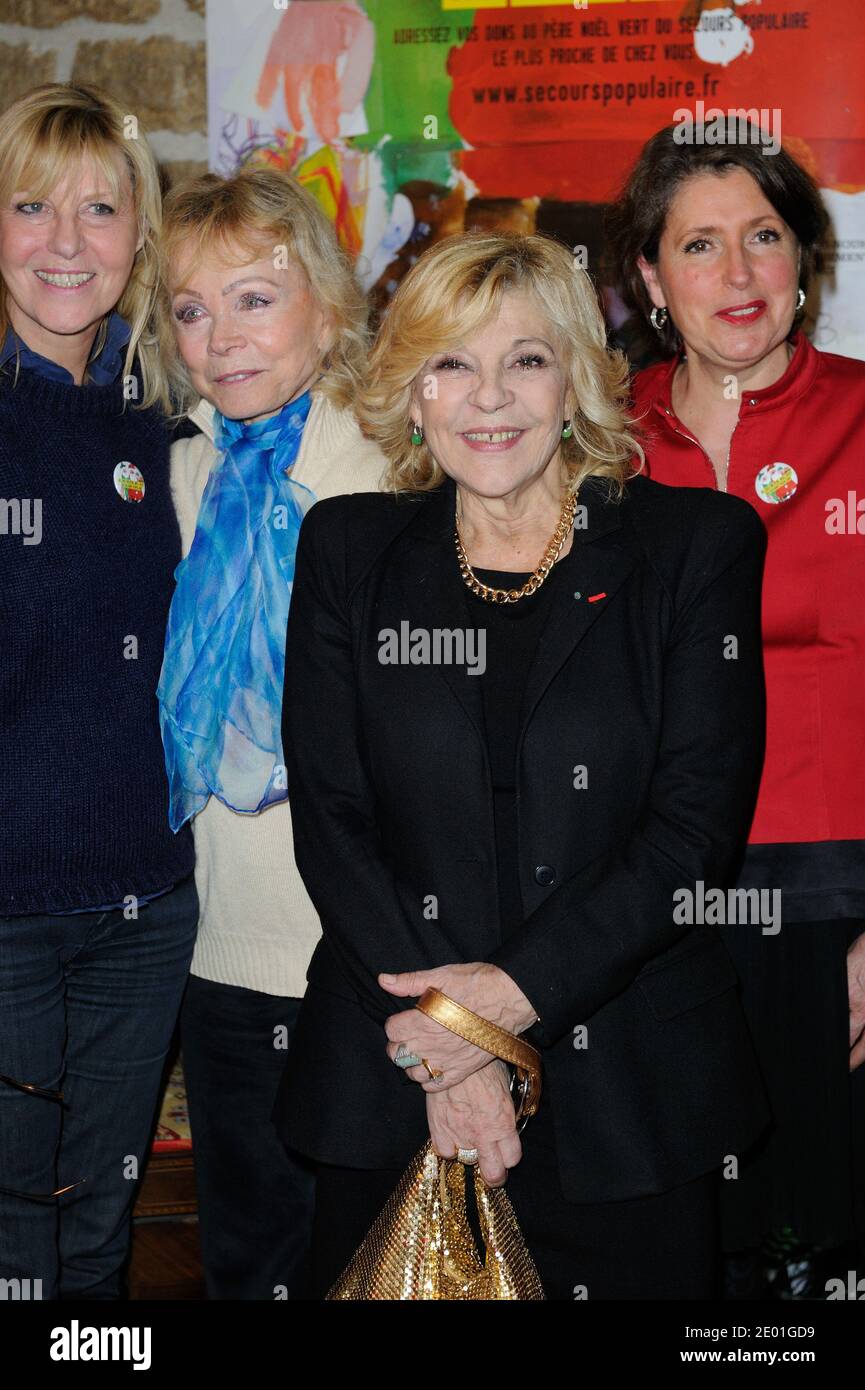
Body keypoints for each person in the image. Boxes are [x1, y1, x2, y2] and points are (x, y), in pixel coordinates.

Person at [272, 229, 771, 1301]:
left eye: (526, 360)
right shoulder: (348, 550)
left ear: (578, 381)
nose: (487, 398)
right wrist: (450, 1054)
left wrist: (492, 1015)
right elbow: (332, 820)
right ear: (411, 393)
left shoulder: (695, 548)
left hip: (627, 1100)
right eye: (452, 363)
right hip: (388, 1076)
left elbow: (691, 837)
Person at [606, 119, 865, 1297]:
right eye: (700, 245)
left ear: (805, 254)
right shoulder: (595, 439)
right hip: (646, 909)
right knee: (682, 1252)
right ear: (651, 278)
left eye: (765, 237)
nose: (742, 275)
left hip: (835, 900)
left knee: (833, 1240)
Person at [156, 167, 386, 1299]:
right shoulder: (176, 472)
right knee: (249, 1261)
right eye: (191, 309)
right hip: (221, 946)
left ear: (329, 307)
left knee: (376, 1260)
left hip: (368, 953)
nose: (219, 337)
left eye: (253, 296)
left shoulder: (401, 467)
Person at [0, 83, 198, 1300]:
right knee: (18, 1245)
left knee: (99, 1237)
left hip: (146, 911)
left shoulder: (175, 421)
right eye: (30, 206)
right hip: (7, 919)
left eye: (99, 209)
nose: (66, 241)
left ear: (140, 236)